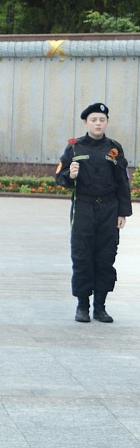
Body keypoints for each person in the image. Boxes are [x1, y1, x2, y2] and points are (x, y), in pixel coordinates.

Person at [55, 103, 131, 323]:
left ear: (107, 122)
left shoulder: (114, 148)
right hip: (84, 208)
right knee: (82, 255)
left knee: (106, 256)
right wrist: (70, 175)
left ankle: (100, 307)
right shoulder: (75, 148)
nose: (98, 124)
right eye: (94, 120)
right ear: (86, 123)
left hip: (109, 209)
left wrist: (122, 212)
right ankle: (82, 306)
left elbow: (122, 181)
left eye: (102, 120)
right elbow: (59, 176)